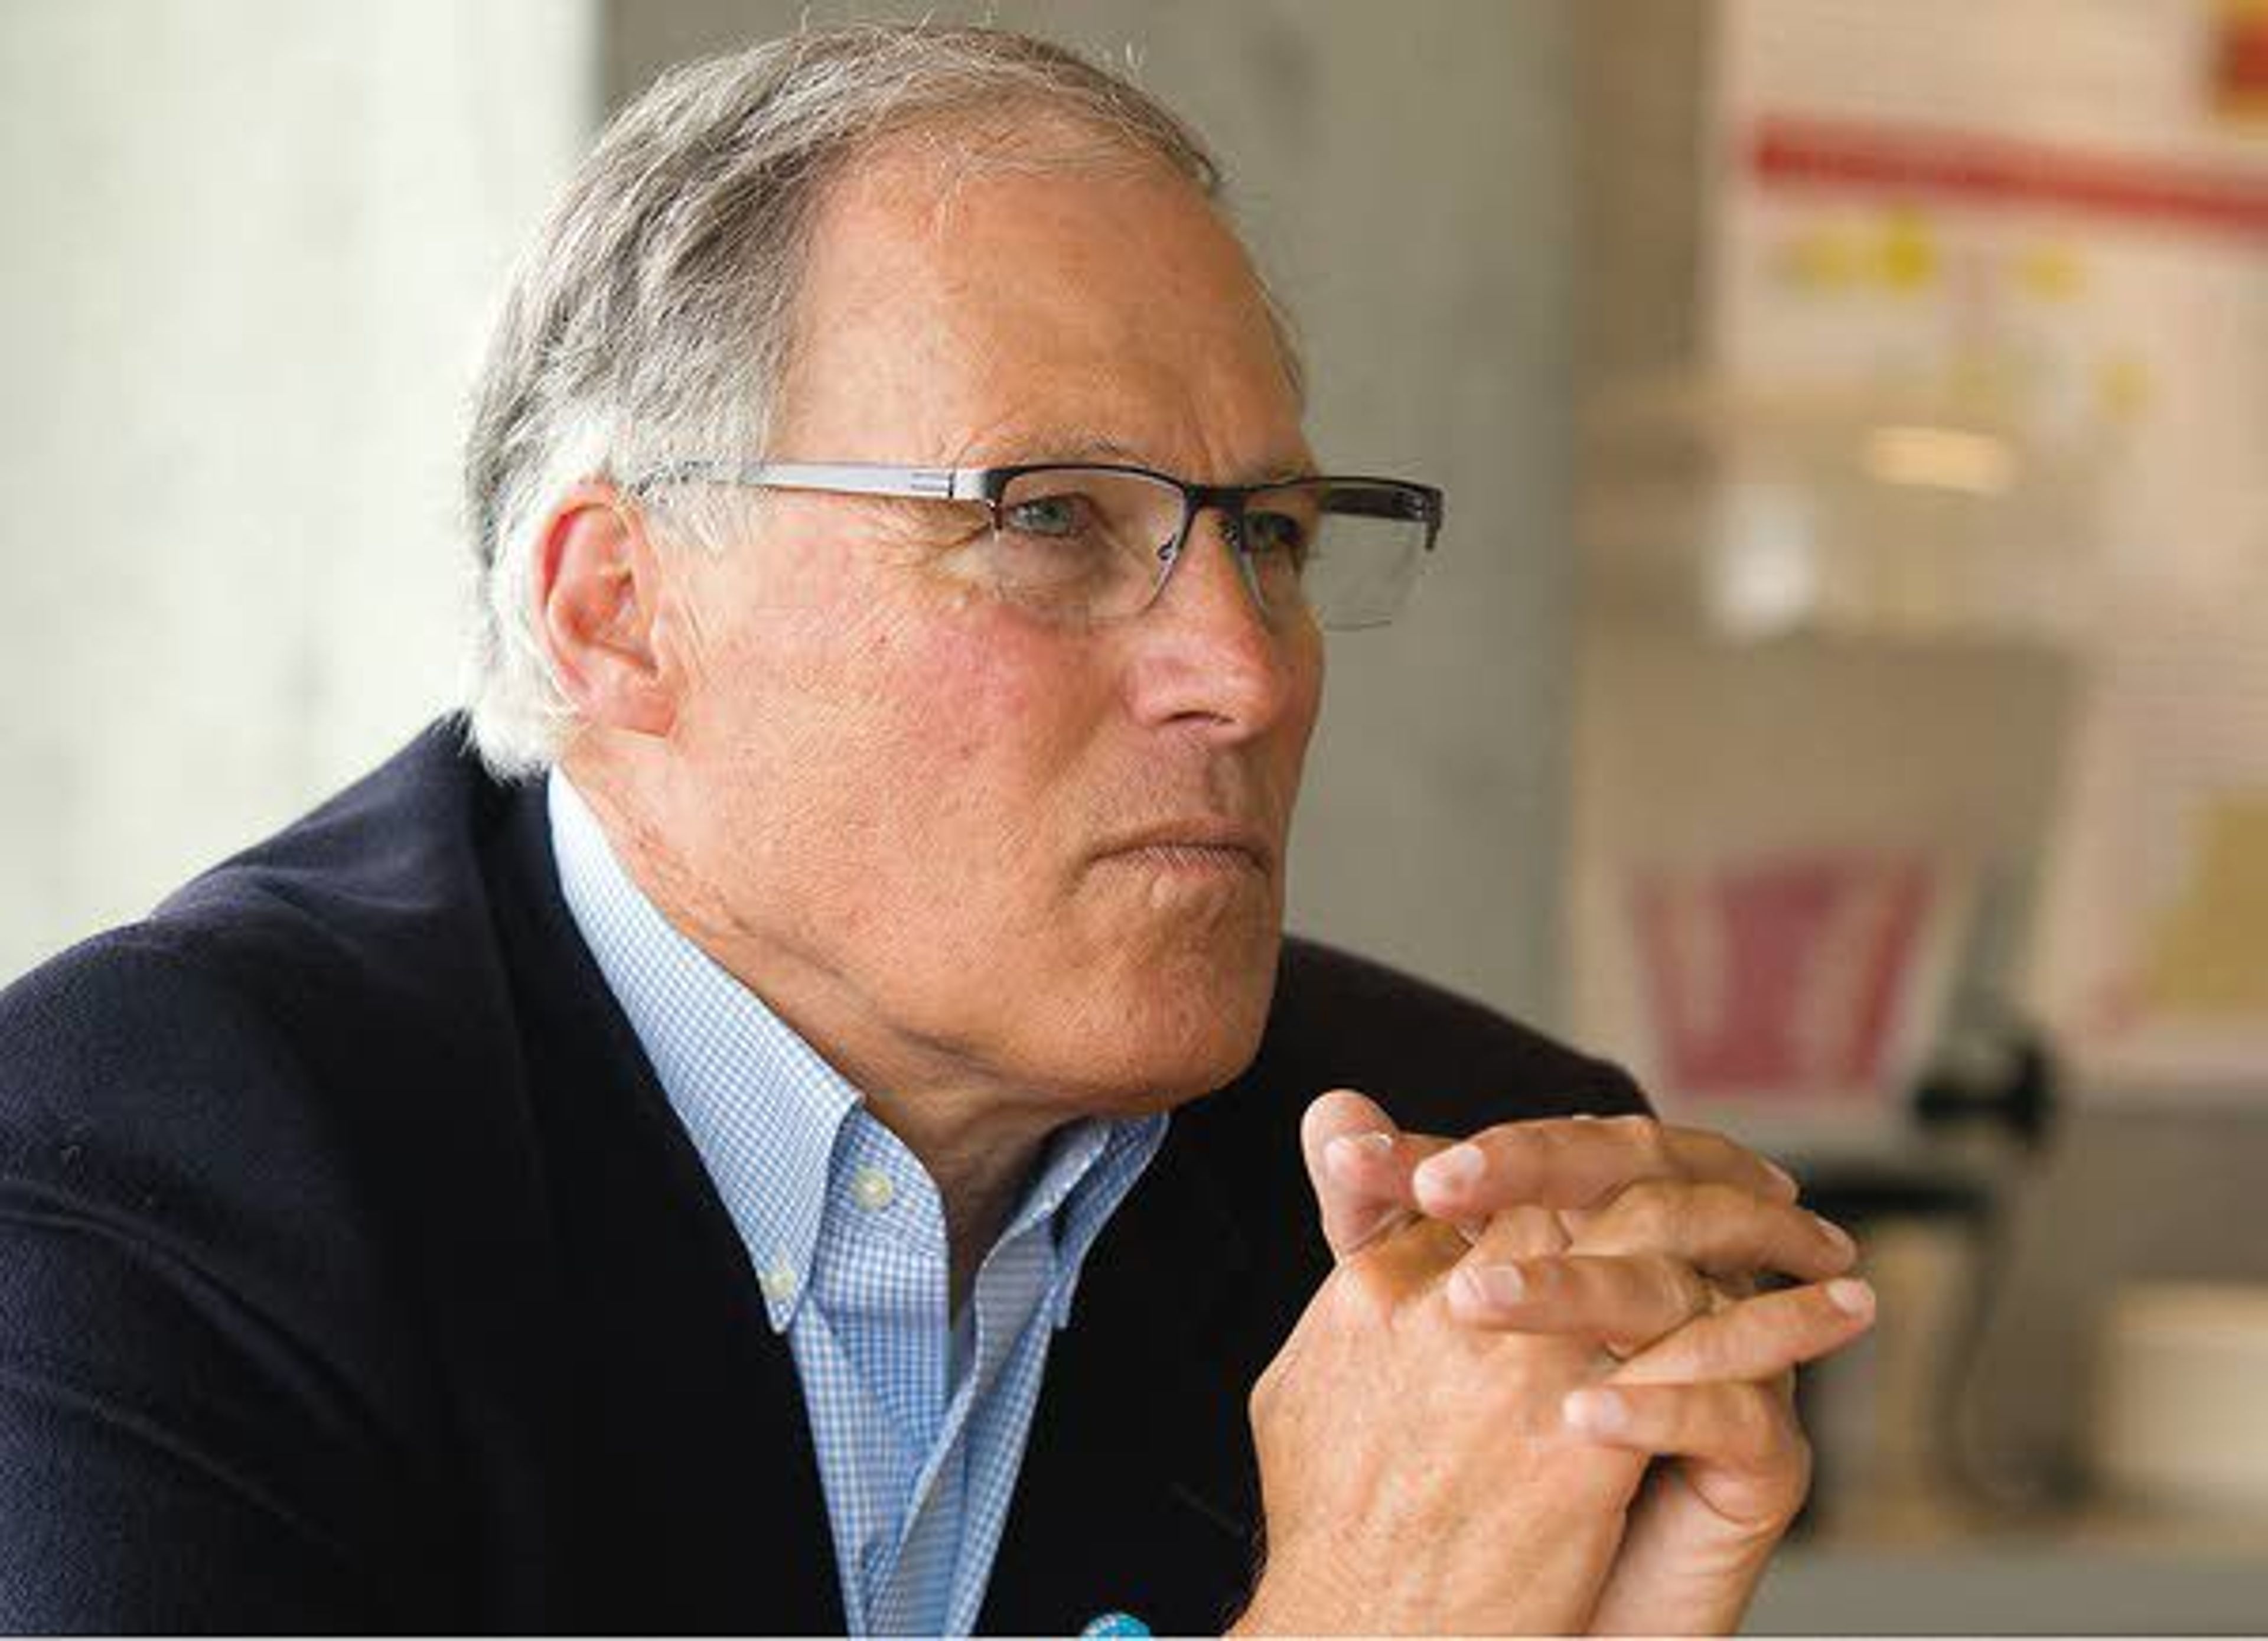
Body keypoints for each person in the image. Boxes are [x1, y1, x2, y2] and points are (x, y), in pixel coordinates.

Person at [0, 24, 1873, 1635]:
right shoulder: (142, 1168)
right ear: (620, 611)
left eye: (1275, 535)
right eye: (1051, 518)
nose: (1247, 669)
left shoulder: (1456, 1214)